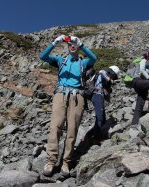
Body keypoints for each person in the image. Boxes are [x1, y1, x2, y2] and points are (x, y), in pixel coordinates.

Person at [40, 35, 97, 177]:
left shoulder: (83, 62)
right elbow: (43, 56)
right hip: (60, 94)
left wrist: (82, 44)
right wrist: (55, 43)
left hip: (78, 96)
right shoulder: (61, 60)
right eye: (70, 44)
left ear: (77, 47)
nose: (72, 46)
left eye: (74, 44)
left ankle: (66, 162)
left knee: (72, 129)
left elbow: (94, 59)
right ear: (67, 46)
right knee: (55, 126)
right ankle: (51, 161)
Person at [127, 53, 149, 125]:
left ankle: (134, 123)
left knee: (140, 102)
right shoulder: (143, 60)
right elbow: (142, 70)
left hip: (139, 84)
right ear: (148, 55)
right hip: (138, 81)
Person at [90, 65, 120, 141]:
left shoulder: (105, 75)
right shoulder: (103, 72)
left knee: (102, 119)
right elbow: (103, 74)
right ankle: (96, 139)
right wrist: (110, 80)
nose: (113, 77)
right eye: (113, 75)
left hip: (99, 96)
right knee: (100, 117)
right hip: (97, 95)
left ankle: (89, 135)